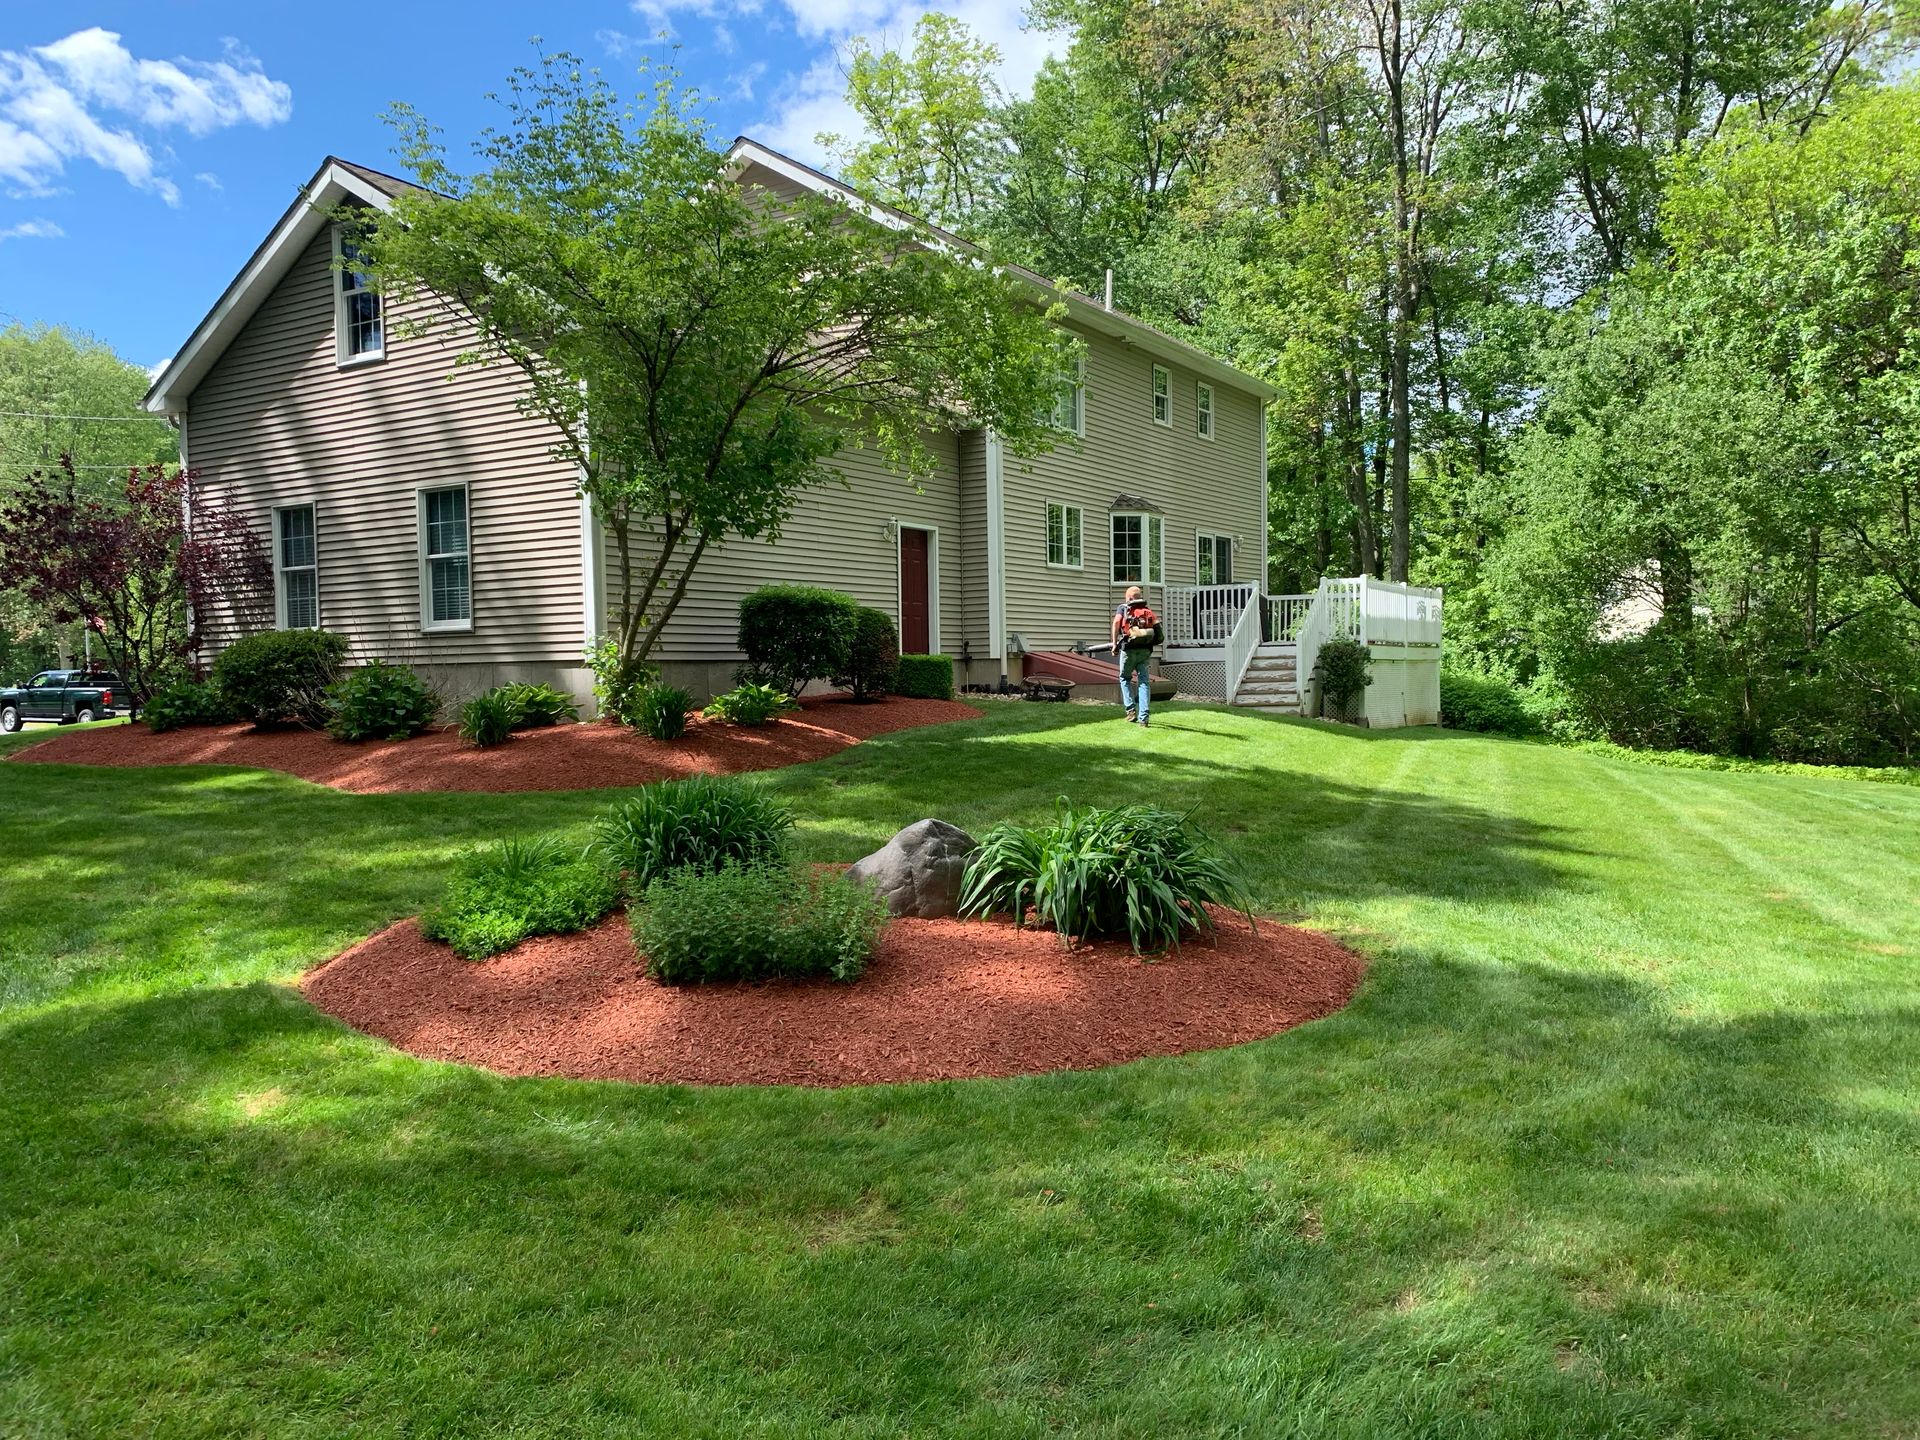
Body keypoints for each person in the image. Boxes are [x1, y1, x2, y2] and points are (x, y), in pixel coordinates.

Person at [1112, 585, 1161, 726]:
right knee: (1144, 681)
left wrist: (1115, 644)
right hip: (1145, 650)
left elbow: (1116, 622)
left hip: (1129, 649)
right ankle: (1144, 718)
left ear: (1130, 598)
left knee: (1125, 678)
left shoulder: (1124, 608)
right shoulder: (1147, 611)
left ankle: (1130, 711)